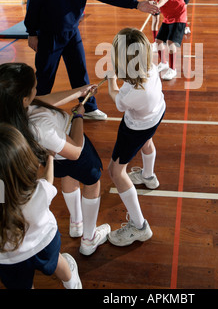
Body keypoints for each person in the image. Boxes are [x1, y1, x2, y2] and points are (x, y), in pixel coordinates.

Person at [24, 0, 159, 121]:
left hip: (72, 33)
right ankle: (32, 111)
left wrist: (136, 4)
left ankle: (88, 107)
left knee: (80, 71)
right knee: (45, 76)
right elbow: (33, 5)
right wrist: (32, 32)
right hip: (49, 36)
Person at [0, 62, 110, 257]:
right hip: (71, 149)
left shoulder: (13, 109)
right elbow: (75, 151)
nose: (37, 89)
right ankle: (89, 239)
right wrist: (78, 116)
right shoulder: (40, 126)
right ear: (25, 98)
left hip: (54, 158)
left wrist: (80, 91)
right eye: (34, 87)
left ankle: (76, 223)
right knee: (92, 183)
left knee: (68, 176)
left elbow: (45, 100)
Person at [0, 123, 82, 289]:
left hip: (8, 259)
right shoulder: (39, 191)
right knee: (60, 262)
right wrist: (51, 157)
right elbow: (47, 180)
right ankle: (72, 284)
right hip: (45, 241)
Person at [107, 28, 165, 246]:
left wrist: (111, 77)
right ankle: (148, 177)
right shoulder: (150, 66)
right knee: (147, 142)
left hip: (135, 127)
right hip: (155, 114)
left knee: (115, 171)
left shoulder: (131, 93)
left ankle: (139, 227)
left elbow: (116, 98)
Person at [149, 0, 187, 80]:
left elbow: (164, 0)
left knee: (170, 42)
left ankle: (172, 69)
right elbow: (149, 0)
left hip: (179, 18)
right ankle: (163, 63)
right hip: (168, 18)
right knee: (158, 41)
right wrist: (138, 5)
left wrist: (156, 6)